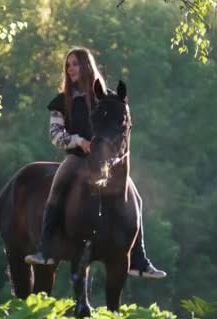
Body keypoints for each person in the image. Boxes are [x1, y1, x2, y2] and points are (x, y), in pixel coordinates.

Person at [24, 47, 166, 279]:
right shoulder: (61, 102)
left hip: (105, 161)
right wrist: (79, 141)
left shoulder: (106, 97)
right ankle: (46, 249)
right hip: (77, 158)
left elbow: (119, 125)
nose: (71, 69)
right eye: (68, 65)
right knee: (57, 188)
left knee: (136, 197)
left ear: (87, 66)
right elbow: (55, 134)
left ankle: (138, 259)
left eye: (75, 64)